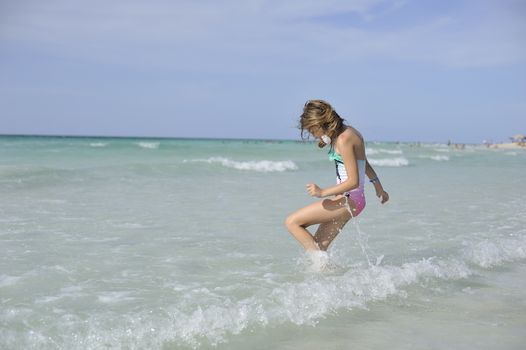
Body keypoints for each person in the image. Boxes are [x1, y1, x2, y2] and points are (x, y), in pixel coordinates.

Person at [285, 100, 389, 251]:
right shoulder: (349, 133)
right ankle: (333, 274)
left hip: (349, 200)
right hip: (354, 201)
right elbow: (363, 164)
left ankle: (322, 268)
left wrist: (322, 192)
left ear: (319, 123)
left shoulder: (343, 140)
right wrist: (379, 187)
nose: (312, 135)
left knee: (292, 222)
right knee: (318, 248)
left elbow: (353, 181)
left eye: (312, 130)